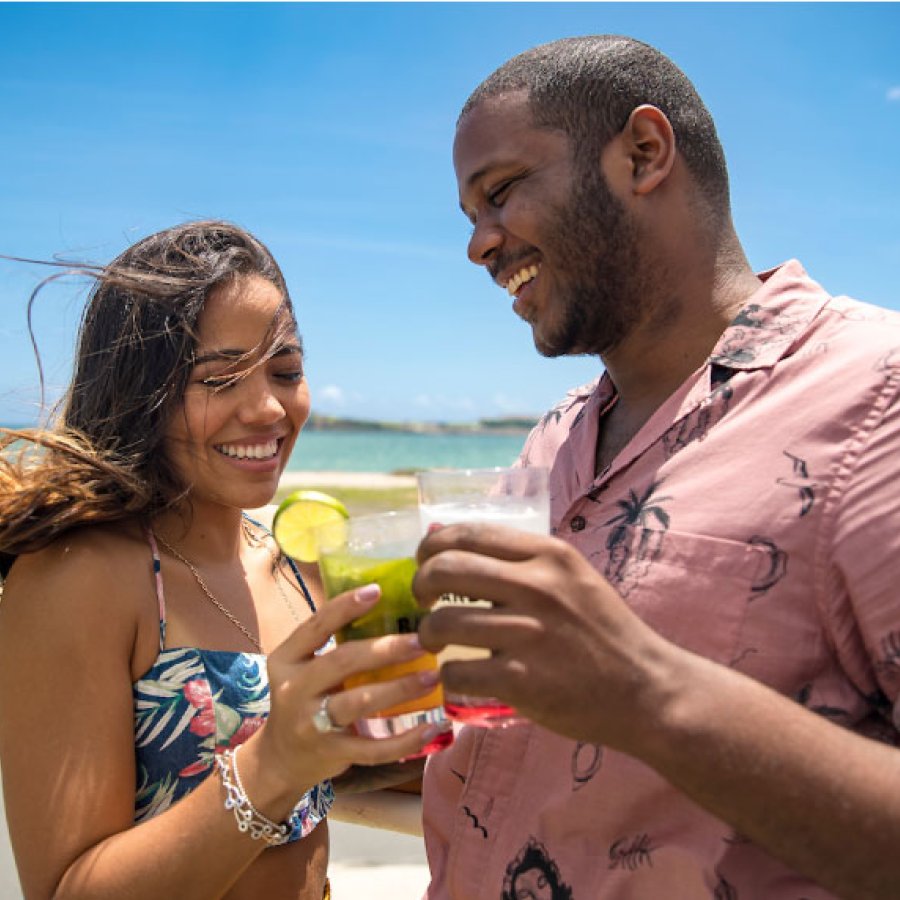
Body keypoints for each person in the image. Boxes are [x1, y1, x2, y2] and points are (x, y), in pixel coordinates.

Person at [414, 34, 900, 899]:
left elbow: (625, 693)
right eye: (470, 216)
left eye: (500, 194)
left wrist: (650, 693)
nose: (479, 245)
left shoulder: (877, 400)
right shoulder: (554, 440)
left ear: (644, 154)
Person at [0, 220, 443, 899]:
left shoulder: (294, 569)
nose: (267, 407)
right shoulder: (80, 577)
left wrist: (454, 713)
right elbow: (66, 888)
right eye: (221, 380)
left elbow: (330, 774)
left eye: (286, 371)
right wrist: (273, 762)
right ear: (142, 396)